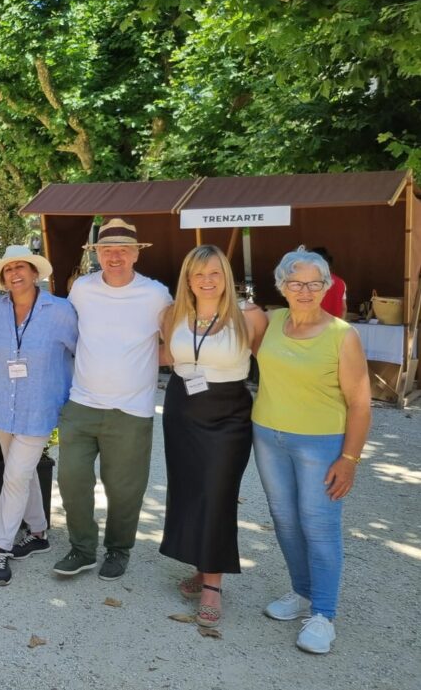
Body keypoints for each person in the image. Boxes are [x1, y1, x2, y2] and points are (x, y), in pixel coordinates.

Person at [252, 247, 371, 654]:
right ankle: (302, 592)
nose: (305, 291)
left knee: (319, 524)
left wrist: (350, 459)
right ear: (282, 286)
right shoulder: (271, 322)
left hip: (320, 443)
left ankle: (323, 614)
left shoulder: (342, 335)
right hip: (268, 437)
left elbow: (360, 404)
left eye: (314, 283)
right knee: (284, 519)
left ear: (327, 286)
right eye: (296, 283)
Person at [53, 217, 172, 581]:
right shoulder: (81, 289)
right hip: (81, 404)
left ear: (137, 254)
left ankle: (119, 549)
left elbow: (173, 347)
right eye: (107, 250)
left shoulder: (156, 295)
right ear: (96, 254)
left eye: (123, 249)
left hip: (131, 409)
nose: (115, 256)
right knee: (71, 479)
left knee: (124, 489)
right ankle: (82, 548)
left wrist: (140, 361)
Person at [159, 245, 268, 626]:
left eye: (214, 273)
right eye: (199, 274)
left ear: (226, 277)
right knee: (189, 490)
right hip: (181, 411)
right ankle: (202, 564)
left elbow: (270, 368)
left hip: (229, 416)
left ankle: (212, 586)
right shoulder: (171, 314)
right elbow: (167, 358)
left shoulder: (250, 317)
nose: (207, 281)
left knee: (217, 493)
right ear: (188, 279)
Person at [0, 245, 77, 586]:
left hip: (40, 406)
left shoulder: (60, 310)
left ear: (35, 273)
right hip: (2, 405)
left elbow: (80, 352)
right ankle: (38, 532)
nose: (15, 274)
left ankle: (1, 545)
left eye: (21, 267)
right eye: (8, 269)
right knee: (21, 473)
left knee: (15, 475)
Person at [312, 247, 347, 319]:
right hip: (335, 324)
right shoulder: (341, 282)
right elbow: (344, 308)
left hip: (314, 324)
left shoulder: (308, 282)